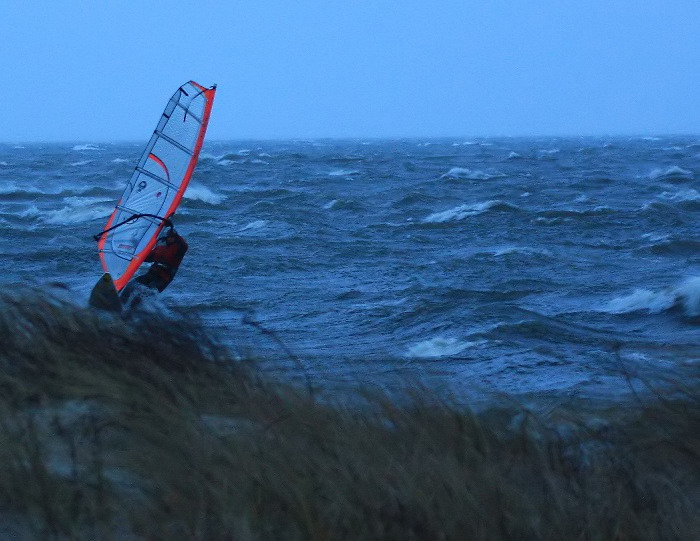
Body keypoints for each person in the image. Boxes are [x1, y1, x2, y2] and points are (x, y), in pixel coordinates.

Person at [134, 227, 188, 293]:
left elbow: (184, 245)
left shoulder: (179, 248)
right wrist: (135, 256)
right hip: (152, 274)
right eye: (169, 237)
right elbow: (148, 257)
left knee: (149, 290)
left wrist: (168, 223)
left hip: (163, 278)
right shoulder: (160, 247)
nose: (170, 238)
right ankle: (122, 297)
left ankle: (141, 302)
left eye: (172, 237)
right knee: (134, 284)